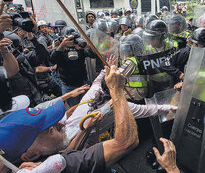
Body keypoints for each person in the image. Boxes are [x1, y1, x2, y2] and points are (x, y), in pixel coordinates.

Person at [0, 65, 139, 173]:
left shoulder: (42, 160)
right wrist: (117, 91)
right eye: (50, 130)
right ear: (30, 156)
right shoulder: (58, 167)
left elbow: (69, 150)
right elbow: (125, 143)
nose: (61, 125)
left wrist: (86, 129)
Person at [50, 27, 97, 107]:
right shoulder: (60, 49)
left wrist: (86, 46)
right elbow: (52, 60)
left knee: (87, 106)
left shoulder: (79, 48)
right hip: (69, 86)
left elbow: (93, 55)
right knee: (74, 109)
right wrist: (62, 46)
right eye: (70, 39)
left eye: (74, 39)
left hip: (83, 83)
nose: (72, 42)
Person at [118, 34, 147, 102]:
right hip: (140, 92)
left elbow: (118, 75)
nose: (126, 51)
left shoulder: (131, 61)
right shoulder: (141, 58)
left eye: (128, 49)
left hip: (133, 94)